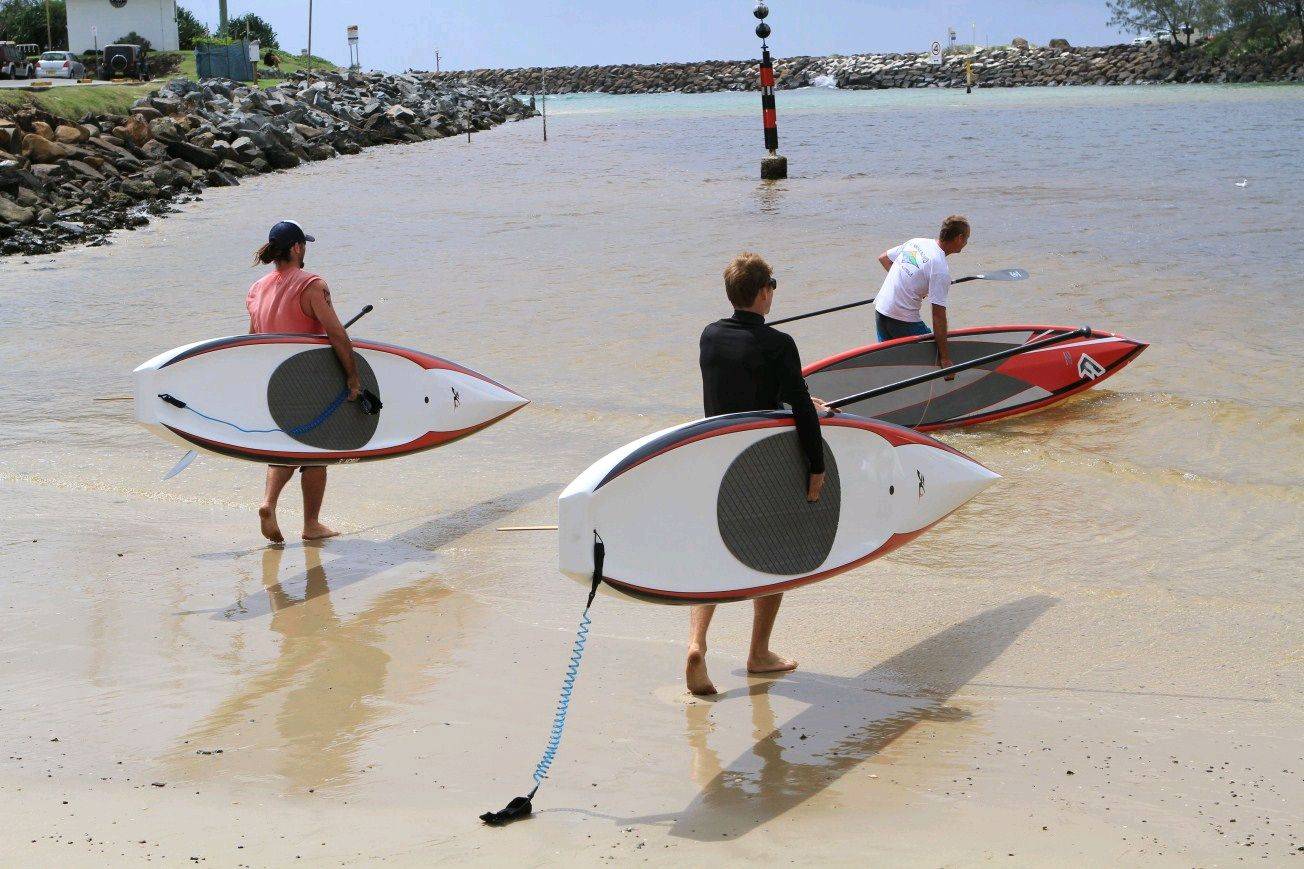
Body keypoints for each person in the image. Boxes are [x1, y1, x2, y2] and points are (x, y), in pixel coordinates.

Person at [688, 252, 832, 697]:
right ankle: (758, 653)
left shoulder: (710, 336)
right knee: (776, 553)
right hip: (760, 463)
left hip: (717, 457)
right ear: (764, 292)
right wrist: (816, 466)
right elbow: (800, 407)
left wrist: (793, 400)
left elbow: (742, 389)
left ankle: (696, 644)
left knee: (714, 553)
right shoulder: (779, 344)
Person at [246, 220, 361, 544]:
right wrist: (353, 377)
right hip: (307, 379)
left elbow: (251, 341)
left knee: (286, 446)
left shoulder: (256, 289)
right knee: (315, 451)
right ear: (297, 248)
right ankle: (306, 521)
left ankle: (277, 507)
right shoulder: (311, 284)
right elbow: (336, 333)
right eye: (304, 244)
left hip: (273, 382)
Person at [873, 215, 971, 375]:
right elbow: (938, 316)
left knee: (892, 363)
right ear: (959, 238)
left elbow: (884, 259)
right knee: (933, 356)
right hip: (903, 321)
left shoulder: (917, 242)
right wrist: (945, 358)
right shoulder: (940, 269)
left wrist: (911, 285)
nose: (966, 243)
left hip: (881, 310)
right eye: (966, 238)